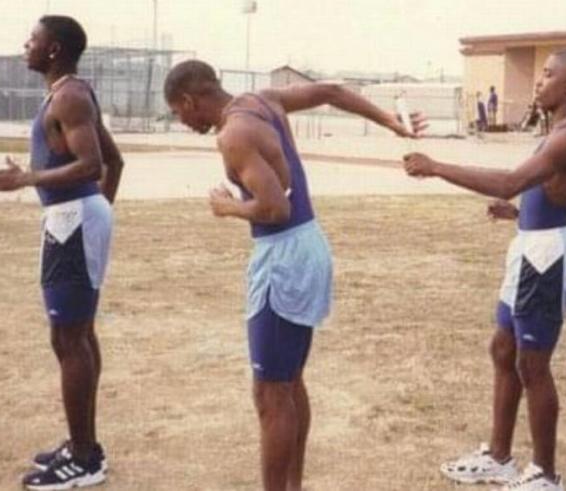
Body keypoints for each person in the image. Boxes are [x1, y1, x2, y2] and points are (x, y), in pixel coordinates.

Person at [162, 60, 419, 491]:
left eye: (177, 112)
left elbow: (274, 209)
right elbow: (332, 90)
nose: (180, 121)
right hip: (305, 244)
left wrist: (227, 207)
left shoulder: (234, 134)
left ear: (189, 101)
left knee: (270, 393)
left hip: (284, 255)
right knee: (287, 382)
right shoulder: (261, 101)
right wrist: (389, 122)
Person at [403, 49, 566, 491]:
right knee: (502, 349)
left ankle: (546, 475)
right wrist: (522, 215)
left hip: (546, 257)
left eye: (548, 74)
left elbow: (511, 181)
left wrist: (436, 167)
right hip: (533, 244)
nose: (538, 81)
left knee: (533, 365)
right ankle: (499, 457)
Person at [0, 15, 124, 490]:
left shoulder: (70, 95)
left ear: (54, 49)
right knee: (75, 335)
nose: (26, 44)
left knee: (68, 340)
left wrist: (31, 182)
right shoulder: (67, 93)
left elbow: (92, 164)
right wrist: (97, 210)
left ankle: (84, 460)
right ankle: (84, 444)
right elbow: (113, 162)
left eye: (33, 39)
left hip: (73, 222)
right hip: (76, 219)